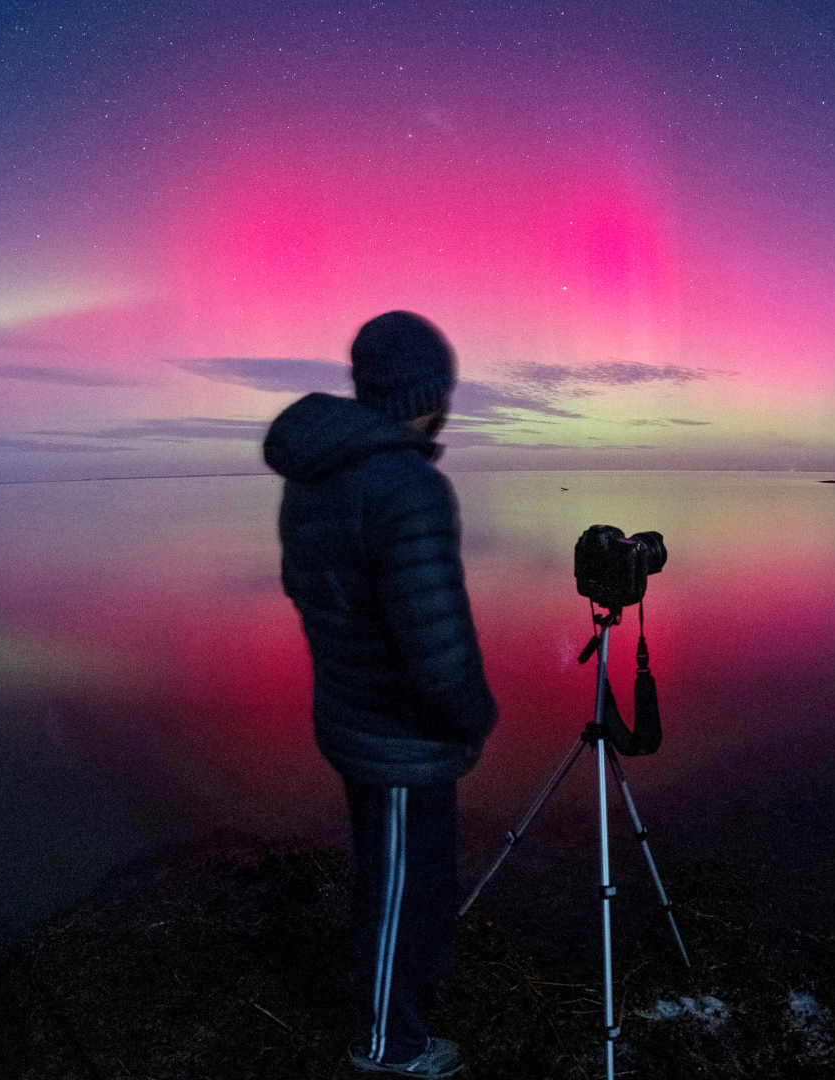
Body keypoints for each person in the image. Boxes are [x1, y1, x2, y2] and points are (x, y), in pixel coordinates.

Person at [263, 311, 497, 1077]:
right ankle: (386, 1049)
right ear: (428, 395)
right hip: (401, 738)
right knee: (403, 896)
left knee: (391, 880)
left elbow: (312, 593)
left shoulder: (315, 479)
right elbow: (435, 645)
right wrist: (474, 715)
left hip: (348, 712)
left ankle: (393, 1026)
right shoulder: (407, 488)